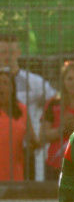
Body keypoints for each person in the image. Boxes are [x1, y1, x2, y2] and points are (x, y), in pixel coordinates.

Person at [0, 32, 57, 180]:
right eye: (3, 52)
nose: (8, 56)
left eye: (11, 52)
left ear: (18, 53)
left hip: (26, 150)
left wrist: (45, 125)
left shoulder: (33, 81)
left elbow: (55, 101)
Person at [40, 61, 74, 181]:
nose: (73, 83)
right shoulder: (53, 103)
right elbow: (42, 136)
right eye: (69, 79)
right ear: (63, 81)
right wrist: (63, 129)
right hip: (55, 166)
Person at [0, 69, 39, 181]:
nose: (1, 86)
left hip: (15, 174)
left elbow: (34, 140)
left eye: (5, 83)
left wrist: (31, 143)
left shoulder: (22, 110)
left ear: (12, 88)